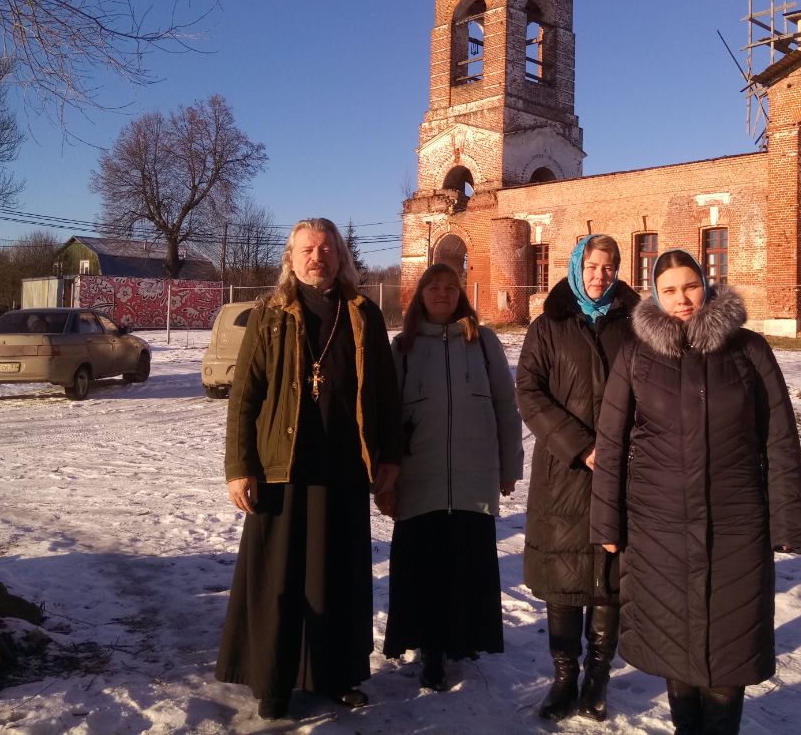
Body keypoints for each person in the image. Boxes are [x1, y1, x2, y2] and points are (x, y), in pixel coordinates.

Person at [589, 249, 801, 735]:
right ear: (655, 295)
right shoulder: (636, 354)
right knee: (675, 647)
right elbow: (612, 440)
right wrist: (606, 522)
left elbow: (778, 437)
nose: (682, 299)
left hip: (736, 526)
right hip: (658, 529)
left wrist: (788, 522)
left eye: (690, 286)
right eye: (669, 290)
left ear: (706, 285)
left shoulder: (747, 350)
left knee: (731, 652)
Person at [215, 218, 404, 721]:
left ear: (340, 257)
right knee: (279, 579)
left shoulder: (363, 313)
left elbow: (386, 393)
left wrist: (390, 456)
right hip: (282, 468)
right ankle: (273, 682)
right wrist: (239, 466)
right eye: (307, 250)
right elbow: (245, 396)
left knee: (337, 577)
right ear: (291, 258)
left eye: (326, 249)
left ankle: (338, 674)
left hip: (344, 469)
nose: (317, 257)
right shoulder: (270, 313)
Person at [382, 263, 524, 690]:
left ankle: (463, 639)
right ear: (420, 294)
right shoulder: (403, 347)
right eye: (434, 287)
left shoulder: (483, 342)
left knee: (466, 564)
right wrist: (384, 479)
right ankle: (429, 648)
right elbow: (386, 415)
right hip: (420, 476)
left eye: (450, 287)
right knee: (423, 567)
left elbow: (505, 405)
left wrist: (509, 467)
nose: (442, 293)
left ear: (461, 294)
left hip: (472, 475)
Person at [516, 233, 640, 722]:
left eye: (608, 267)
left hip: (622, 470)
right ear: (575, 267)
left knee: (609, 577)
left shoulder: (634, 323)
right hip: (563, 470)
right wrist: (580, 446)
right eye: (591, 266)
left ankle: (598, 677)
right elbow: (529, 392)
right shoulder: (549, 326)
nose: (599, 276)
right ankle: (565, 676)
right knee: (564, 578)